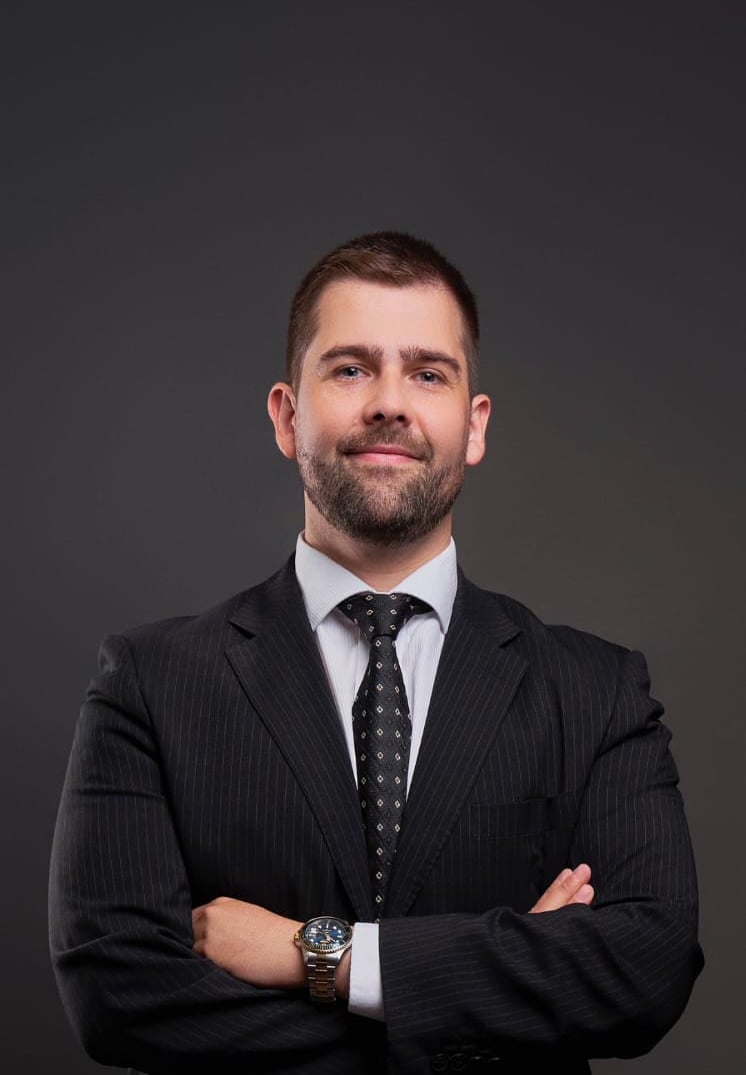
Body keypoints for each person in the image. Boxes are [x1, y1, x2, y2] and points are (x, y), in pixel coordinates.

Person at [49, 232, 703, 1075]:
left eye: (428, 373)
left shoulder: (598, 691)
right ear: (288, 416)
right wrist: (489, 1018)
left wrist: (316, 955)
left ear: (474, 426)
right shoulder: (149, 684)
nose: (390, 402)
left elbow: (646, 967)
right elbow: (116, 996)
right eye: (351, 368)